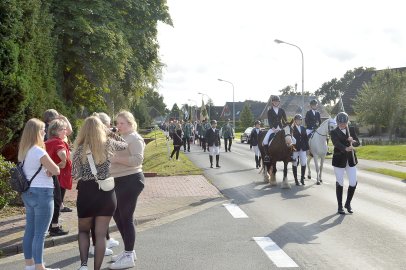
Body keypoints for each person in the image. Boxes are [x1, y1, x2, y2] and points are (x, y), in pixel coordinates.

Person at [72, 116, 127, 270]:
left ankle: (83, 265)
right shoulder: (108, 143)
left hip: (86, 192)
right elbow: (125, 144)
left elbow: (74, 174)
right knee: (101, 234)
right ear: (100, 129)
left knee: (83, 230)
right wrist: (110, 132)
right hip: (106, 192)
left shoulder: (79, 150)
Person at [19, 118, 61, 270]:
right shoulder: (38, 151)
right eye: (43, 129)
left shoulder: (24, 150)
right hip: (42, 193)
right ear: (36, 132)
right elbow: (56, 170)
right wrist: (51, 169)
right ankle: (40, 267)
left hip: (28, 192)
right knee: (40, 233)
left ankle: (29, 264)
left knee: (30, 230)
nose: (45, 131)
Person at [109, 111, 146, 269]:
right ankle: (128, 251)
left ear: (131, 123)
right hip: (119, 180)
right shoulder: (121, 137)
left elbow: (138, 159)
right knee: (118, 215)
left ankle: (129, 254)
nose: (118, 126)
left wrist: (117, 159)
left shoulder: (135, 138)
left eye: (122, 123)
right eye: (117, 123)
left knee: (126, 217)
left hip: (131, 180)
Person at [88, 112, 121, 256]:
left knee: (104, 213)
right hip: (94, 183)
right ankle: (95, 246)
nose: (111, 127)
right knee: (97, 215)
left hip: (97, 181)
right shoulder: (95, 141)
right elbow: (123, 145)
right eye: (108, 125)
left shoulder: (98, 139)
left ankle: (105, 239)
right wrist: (112, 135)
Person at [43, 109, 71, 236]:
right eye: (63, 129)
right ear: (56, 131)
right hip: (60, 175)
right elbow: (63, 160)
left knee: (52, 201)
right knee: (57, 201)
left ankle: (50, 224)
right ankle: (54, 226)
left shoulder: (46, 142)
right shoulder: (59, 142)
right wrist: (58, 165)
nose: (65, 131)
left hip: (49, 176)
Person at [331, 112, 360, 215]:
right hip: (339, 160)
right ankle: (340, 206)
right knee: (340, 182)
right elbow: (336, 143)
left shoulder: (351, 130)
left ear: (347, 122)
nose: (343, 124)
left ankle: (348, 203)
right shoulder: (334, 132)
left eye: (344, 123)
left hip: (351, 160)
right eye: (340, 123)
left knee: (353, 182)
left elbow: (358, 142)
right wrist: (346, 148)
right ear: (338, 122)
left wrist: (353, 141)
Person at [262, 95, 287, 162]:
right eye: (274, 101)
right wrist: (273, 128)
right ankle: (267, 155)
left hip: (281, 128)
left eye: (277, 101)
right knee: (265, 140)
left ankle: (290, 154)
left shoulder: (282, 110)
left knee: (290, 139)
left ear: (279, 102)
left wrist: (286, 127)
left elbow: (285, 120)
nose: (276, 102)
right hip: (273, 128)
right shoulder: (269, 111)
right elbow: (270, 121)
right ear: (272, 102)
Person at [291, 114, 309, 186]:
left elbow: (306, 139)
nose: (298, 121)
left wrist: (307, 148)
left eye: (300, 120)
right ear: (295, 121)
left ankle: (302, 178)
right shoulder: (292, 128)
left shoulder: (303, 128)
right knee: (295, 163)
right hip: (295, 148)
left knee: (304, 163)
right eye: (297, 120)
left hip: (303, 148)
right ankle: (296, 180)